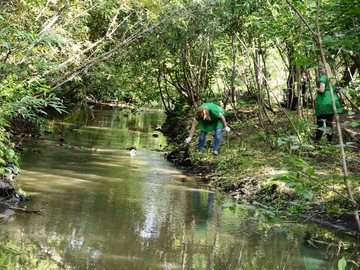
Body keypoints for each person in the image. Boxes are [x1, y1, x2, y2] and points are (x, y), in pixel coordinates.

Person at [314, 65, 343, 143]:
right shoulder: (331, 78)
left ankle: (317, 141)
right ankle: (330, 141)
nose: (320, 70)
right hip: (331, 101)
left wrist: (316, 89)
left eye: (321, 69)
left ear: (326, 69)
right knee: (329, 123)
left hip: (323, 102)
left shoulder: (323, 77)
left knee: (320, 123)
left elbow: (322, 90)